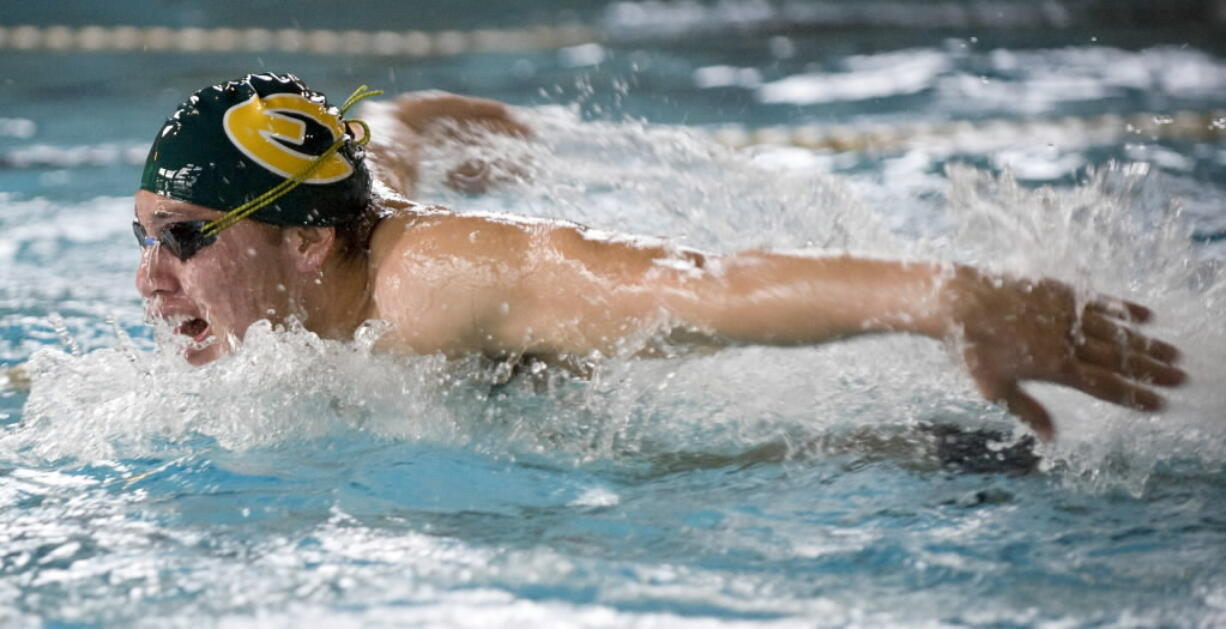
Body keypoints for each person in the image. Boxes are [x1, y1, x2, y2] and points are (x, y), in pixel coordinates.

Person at [132, 73, 1185, 442]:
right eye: (142, 237)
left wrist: (947, 295)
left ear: (306, 244)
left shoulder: (442, 282)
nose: (150, 278)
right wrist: (408, 129)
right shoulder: (333, 240)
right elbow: (370, 191)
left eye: (183, 239)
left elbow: (699, 287)